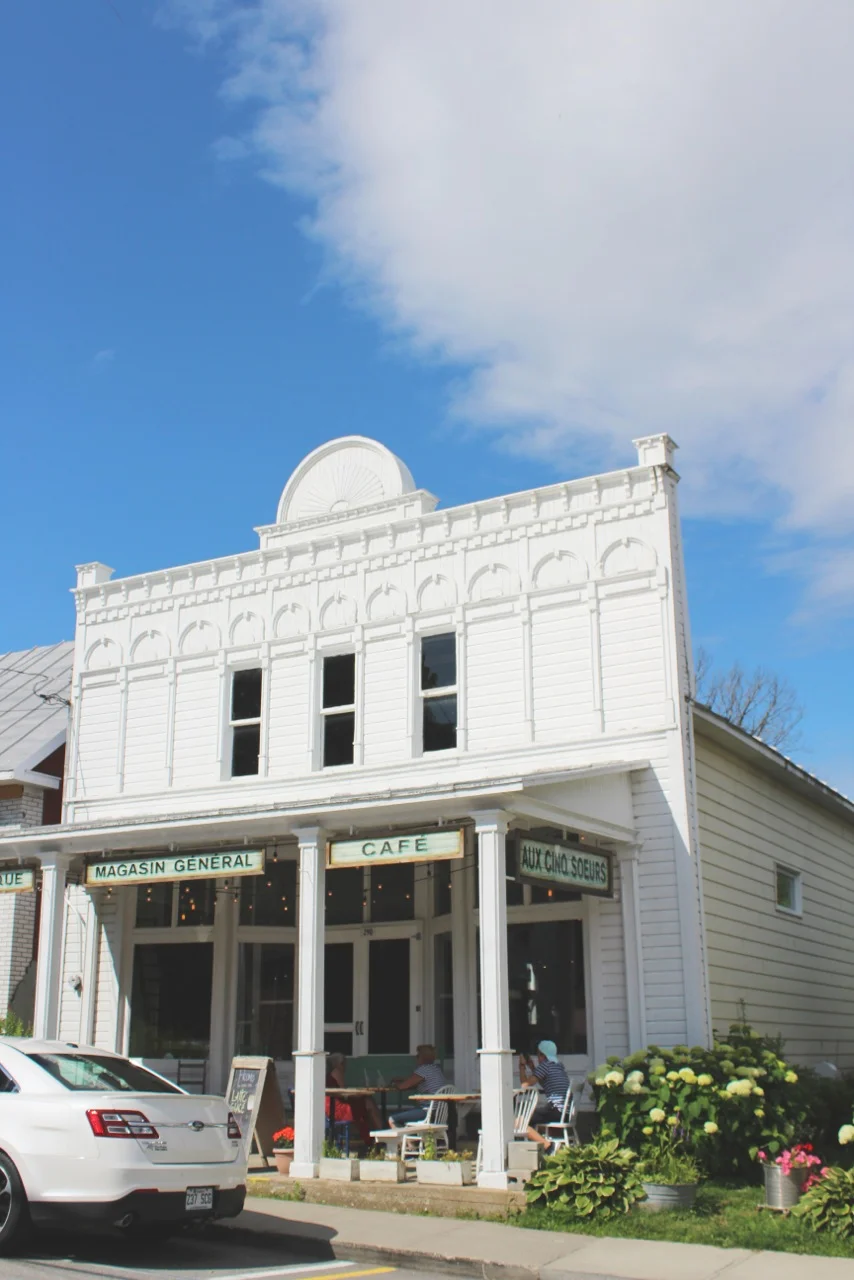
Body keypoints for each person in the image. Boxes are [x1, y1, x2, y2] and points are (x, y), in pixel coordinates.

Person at [519, 1040, 570, 1152]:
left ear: (543, 1055)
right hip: (565, 1112)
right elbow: (546, 1083)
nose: (537, 1058)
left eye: (538, 1054)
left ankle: (548, 1146)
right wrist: (532, 1068)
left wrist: (522, 1066)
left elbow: (524, 1085)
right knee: (534, 1119)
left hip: (555, 1110)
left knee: (519, 1121)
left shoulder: (545, 1066)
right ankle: (550, 1142)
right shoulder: (558, 1066)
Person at [325, 1053, 382, 1147]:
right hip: (336, 1108)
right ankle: (381, 1135)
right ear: (339, 1064)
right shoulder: (337, 1072)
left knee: (365, 1105)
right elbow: (343, 1093)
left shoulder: (329, 1074)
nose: (345, 1066)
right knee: (368, 1103)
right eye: (344, 1063)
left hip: (330, 1108)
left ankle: (371, 1139)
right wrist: (358, 1095)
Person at [388, 1045, 450, 1128]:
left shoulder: (423, 1070)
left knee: (392, 1119)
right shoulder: (436, 1069)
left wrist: (394, 1084)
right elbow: (416, 1083)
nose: (416, 1058)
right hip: (440, 1112)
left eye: (417, 1056)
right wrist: (403, 1080)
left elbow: (403, 1086)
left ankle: (404, 1137)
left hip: (428, 1111)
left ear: (422, 1058)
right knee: (408, 1112)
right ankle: (411, 1136)